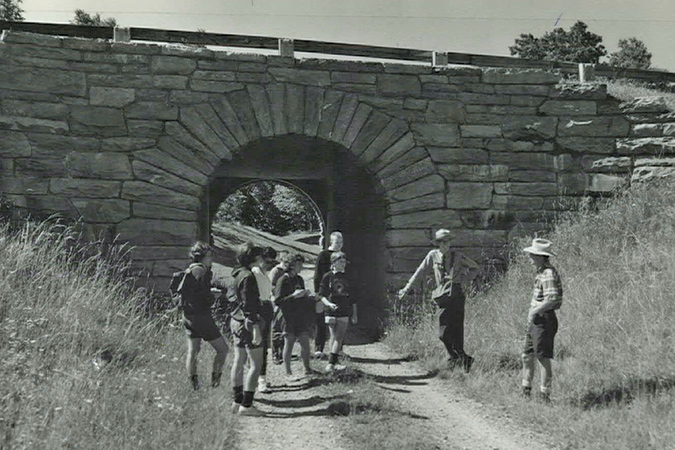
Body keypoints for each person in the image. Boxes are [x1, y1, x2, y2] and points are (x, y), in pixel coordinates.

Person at [398, 229, 480, 372]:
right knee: (443, 333)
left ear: (450, 242)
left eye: (447, 241)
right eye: (442, 242)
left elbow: (475, 268)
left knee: (456, 329)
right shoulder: (432, 256)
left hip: (457, 295)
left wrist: (464, 280)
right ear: (437, 243)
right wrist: (406, 289)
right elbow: (420, 272)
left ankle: (458, 361)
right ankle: (460, 358)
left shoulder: (458, 256)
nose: (445, 244)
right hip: (442, 297)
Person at [275, 252, 337, 379]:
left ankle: (307, 369)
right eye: (299, 264)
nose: (301, 267)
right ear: (291, 265)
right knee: (289, 343)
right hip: (288, 317)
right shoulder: (283, 280)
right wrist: (293, 296)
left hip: (300, 315)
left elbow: (302, 298)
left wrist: (309, 297)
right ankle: (288, 372)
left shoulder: (299, 279)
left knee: (305, 343)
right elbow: (278, 301)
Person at [179, 242, 229, 391]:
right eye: (209, 256)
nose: (211, 259)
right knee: (223, 350)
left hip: (188, 316)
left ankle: (194, 386)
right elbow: (204, 298)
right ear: (202, 257)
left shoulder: (191, 269)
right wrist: (214, 295)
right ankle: (215, 384)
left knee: (192, 351)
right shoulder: (203, 271)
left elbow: (195, 293)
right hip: (202, 317)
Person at [521, 238, 563, 403]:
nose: (530, 258)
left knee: (543, 358)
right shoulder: (541, 272)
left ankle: (545, 397)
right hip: (536, 320)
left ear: (539, 256)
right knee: (526, 356)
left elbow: (552, 299)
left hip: (544, 320)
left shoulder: (548, 274)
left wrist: (534, 311)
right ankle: (526, 392)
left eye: (532, 255)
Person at [230, 243, 266, 416]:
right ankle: (247, 405)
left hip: (235, 320)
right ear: (254, 258)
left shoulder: (236, 273)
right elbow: (249, 304)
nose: (262, 260)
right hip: (247, 323)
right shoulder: (249, 277)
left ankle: (236, 401)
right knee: (256, 364)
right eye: (259, 256)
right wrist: (255, 327)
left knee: (238, 360)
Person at [320, 251, 357, 373]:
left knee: (337, 337)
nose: (343, 264)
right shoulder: (327, 276)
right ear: (334, 263)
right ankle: (331, 364)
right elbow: (321, 295)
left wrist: (354, 313)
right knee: (336, 337)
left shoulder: (349, 277)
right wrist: (329, 304)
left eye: (344, 262)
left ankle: (333, 362)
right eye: (341, 262)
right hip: (330, 310)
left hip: (344, 310)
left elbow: (353, 297)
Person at [313, 231, 343, 359]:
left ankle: (337, 350)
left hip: (337, 294)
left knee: (338, 320)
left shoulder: (341, 256)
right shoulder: (323, 255)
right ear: (331, 242)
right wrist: (318, 294)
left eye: (341, 242)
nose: (339, 245)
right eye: (337, 242)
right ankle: (318, 348)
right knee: (321, 320)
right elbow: (317, 275)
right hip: (324, 293)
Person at [251, 247, 278, 394]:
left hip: (267, 308)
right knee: (258, 346)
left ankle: (261, 378)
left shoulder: (264, 273)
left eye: (272, 262)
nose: (269, 265)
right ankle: (259, 379)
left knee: (264, 346)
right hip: (260, 309)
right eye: (267, 261)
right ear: (260, 258)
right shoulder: (255, 272)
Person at [269, 251, 289, 365]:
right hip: (275, 301)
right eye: (285, 261)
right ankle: (275, 353)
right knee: (276, 327)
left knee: (284, 327)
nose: (287, 264)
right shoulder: (276, 271)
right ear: (281, 260)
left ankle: (283, 351)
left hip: (285, 302)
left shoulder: (286, 271)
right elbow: (271, 286)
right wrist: (274, 302)